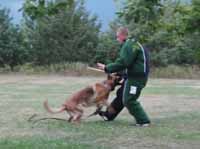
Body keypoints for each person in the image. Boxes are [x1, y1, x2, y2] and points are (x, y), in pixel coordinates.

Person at [97, 27, 151, 126]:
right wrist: (120, 74)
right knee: (121, 94)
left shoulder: (129, 45)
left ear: (122, 35)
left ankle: (143, 121)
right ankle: (109, 115)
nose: (117, 39)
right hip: (133, 76)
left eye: (117, 37)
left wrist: (107, 68)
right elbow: (131, 63)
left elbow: (123, 62)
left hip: (136, 78)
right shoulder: (133, 43)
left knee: (129, 100)